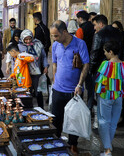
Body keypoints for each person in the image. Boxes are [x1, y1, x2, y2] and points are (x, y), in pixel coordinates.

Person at [50, 20, 89, 155]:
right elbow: (54, 63)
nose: (54, 39)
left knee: (74, 118)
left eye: (56, 35)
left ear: (64, 32)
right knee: (56, 118)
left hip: (74, 90)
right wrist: (54, 79)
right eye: (52, 36)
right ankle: (56, 141)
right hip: (58, 89)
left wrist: (79, 85)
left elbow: (86, 65)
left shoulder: (80, 43)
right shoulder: (56, 45)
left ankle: (73, 144)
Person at [95, 41, 124, 156]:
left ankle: (107, 150)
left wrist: (97, 95)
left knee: (104, 122)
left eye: (105, 51)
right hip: (119, 98)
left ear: (110, 52)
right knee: (113, 123)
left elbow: (99, 83)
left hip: (106, 97)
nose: (104, 53)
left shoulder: (105, 65)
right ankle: (108, 147)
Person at [18, 29, 48, 108]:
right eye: (26, 39)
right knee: (28, 91)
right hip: (26, 72)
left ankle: (41, 108)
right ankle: (28, 108)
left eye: (29, 39)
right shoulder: (19, 46)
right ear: (22, 39)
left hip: (36, 72)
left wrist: (45, 66)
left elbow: (43, 56)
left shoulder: (38, 44)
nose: (28, 41)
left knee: (38, 90)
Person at [75, 11, 95, 110]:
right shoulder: (94, 27)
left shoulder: (80, 30)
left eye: (77, 19)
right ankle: (89, 108)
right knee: (91, 87)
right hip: (93, 60)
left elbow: (78, 47)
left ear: (80, 19)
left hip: (83, 61)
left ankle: (80, 107)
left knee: (80, 84)